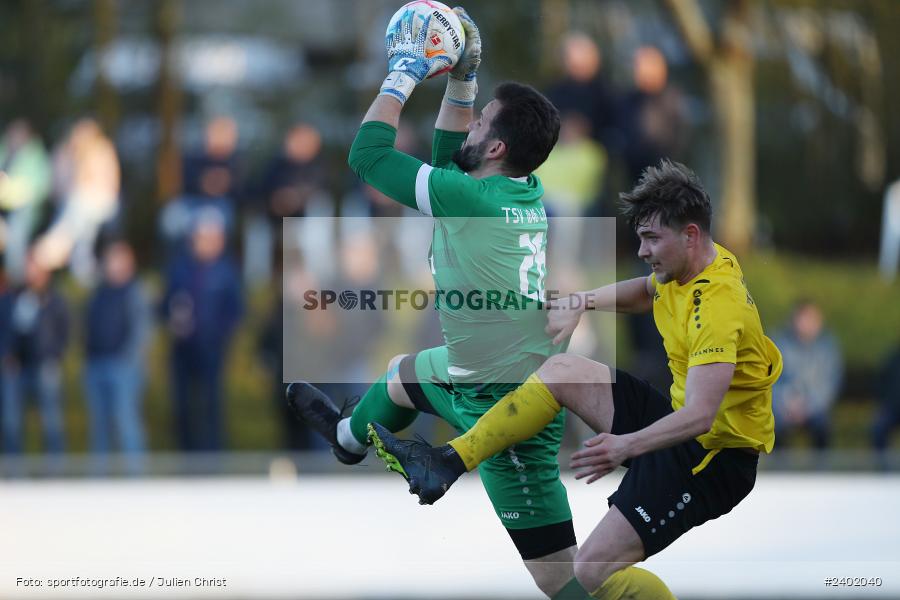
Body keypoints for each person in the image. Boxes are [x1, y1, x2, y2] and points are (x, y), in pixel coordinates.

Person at [371, 160, 783, 599]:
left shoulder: (717, 309)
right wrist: (581, 301)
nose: (643, 251)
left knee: (585, 572)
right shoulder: (693, 264)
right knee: (562, 372)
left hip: (712, 460)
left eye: (651, 239)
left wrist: (626, 445)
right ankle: (448, 461)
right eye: (640, 237)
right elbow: (648, 291)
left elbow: (702, 415)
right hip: (676, 424)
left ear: (691, 235)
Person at [287, 8, 585, 598]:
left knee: (561, 582)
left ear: (496, 146)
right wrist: (462, 76)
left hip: (507, 412)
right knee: (403, 375)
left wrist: (402, 73)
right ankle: (347, 440)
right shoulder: (517, 186)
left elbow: (367, 156)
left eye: (481, 122)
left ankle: (358, 441)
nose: (470, 127)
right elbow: (454, 154)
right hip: (489, 368)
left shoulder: (470, 198)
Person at [161, 210, 243, 452]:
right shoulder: (179, 269)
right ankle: (186, 458)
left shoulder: (227, 272)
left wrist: (219, 334)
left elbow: (235, 311)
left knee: (210, 405)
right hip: (182, 348)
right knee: (183, 406)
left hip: (212, 348)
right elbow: (165, 303)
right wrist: (172, 319)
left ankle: (212, 459)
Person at [83, 240, 150, 472]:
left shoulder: (136, 292)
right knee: (99, 426)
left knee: (126, 422)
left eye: (117, 259)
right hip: (96, 364)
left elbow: (142, 331)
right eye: (110, 259)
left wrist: (129, 359)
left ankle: (136, 476)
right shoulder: (99, 292)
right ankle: (98, 479)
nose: (112, 264)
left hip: (124, 367)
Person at [0, 251, 70, 455]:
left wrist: (54, 356)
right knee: (11, 422)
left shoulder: (54, 299)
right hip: (15, 368)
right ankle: (14, 470)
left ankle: (55, 469)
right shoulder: (11, 298)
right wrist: (6, 355)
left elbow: (64, 330)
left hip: (45, 365)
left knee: (51, 421)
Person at [771, 300, 843, 450]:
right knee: (773, 425)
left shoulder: (828, 347)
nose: (807, 324)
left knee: (822, 426)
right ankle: (779, 465)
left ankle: (821, 465)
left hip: (815, 408)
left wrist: (808, 407)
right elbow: (771, 380)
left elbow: (829, 386)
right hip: (783, 407)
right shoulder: (779, 343)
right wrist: (785, 403)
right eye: (804, 318)